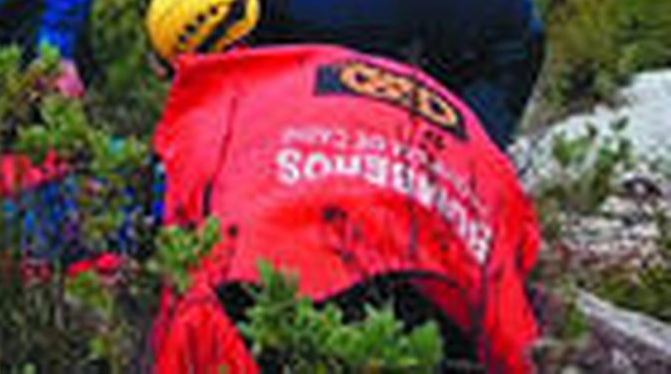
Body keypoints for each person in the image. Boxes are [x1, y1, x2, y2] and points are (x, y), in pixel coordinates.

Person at [147, 43, 542, 373]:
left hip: (313, 206)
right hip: (431, 170)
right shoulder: (266, 80)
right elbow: (510, 313)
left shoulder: (233, 105)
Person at [144, 0, 546, 147]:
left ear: (234, 45)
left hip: (502, 41)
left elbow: (380, 111)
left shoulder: (330, 23)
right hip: (442, 22)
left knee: (462, 161)